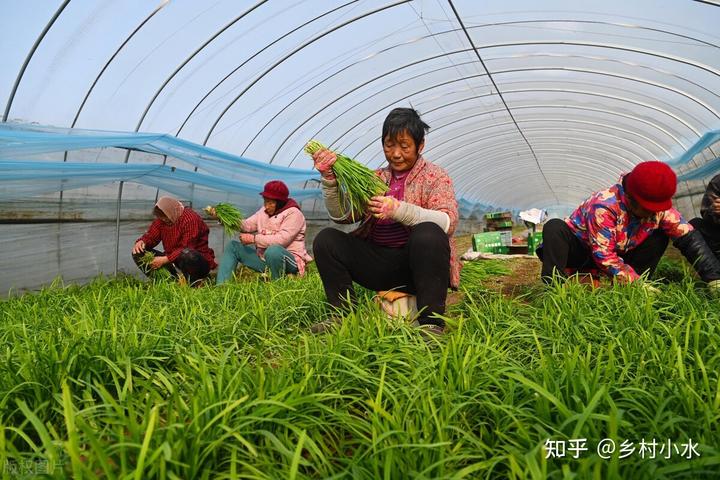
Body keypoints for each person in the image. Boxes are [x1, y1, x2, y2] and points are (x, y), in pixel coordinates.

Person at [310, 108, 460, 333]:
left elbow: (448, 221)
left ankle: (431, 323)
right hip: (379, 265)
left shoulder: (435, 176)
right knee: (326, 239)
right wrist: (329, 180)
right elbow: (343, 216)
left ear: (420, 146)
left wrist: (399, 210)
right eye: (389, 145)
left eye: (404, 146)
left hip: (417, 269)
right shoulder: (375, 178)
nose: (396, 153)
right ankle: (341, 316)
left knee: (429, 232)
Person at [537, 161, 720, 289]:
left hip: (621, 253)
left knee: (661, 234)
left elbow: (687, 236)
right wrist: (634, 282)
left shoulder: (658, 208)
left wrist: (714, 278)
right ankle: (556, 287)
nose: (653, 213)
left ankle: (635, 285)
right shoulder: (604, 205)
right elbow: (603, 254)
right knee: (554, 227)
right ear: (631, 198)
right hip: (584, 252)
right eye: (648, 209)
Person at [215, 180, 312, 284]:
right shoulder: (263, 211)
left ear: (280, 202)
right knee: (233, 247)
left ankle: (277, 285)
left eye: (270, 202)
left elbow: (282, 240)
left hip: (290, 261)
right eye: (265, 201)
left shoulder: (293, 214)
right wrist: (225, 218)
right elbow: (247, 225)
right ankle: (222, 286)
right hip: (265, 259)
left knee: (273, 250)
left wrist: (254, 239)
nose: (266, 206)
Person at [132, 196, 217, 285]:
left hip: (197, 262)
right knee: (138, 252)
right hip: (174, 260)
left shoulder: (190, 219)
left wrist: (164, 260)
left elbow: (187, 247)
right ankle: (168, 282)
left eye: (166, 219)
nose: (164, 221)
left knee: (187, 253)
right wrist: (142, 242)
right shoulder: (163, 220)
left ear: (171, 212)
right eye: (162, 219)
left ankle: (196, 282)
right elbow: (151, 236)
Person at [688, 173, 720, 258]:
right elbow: (706, 213)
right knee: (694, 225)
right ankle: (713, 268)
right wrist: (714, 211)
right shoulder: (718, 181)